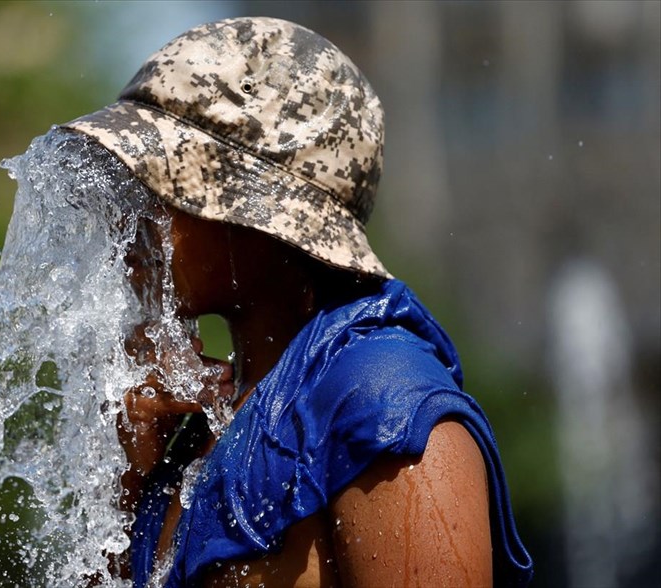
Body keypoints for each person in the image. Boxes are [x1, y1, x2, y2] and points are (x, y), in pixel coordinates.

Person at [61, 17, 533, 587]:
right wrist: (131, 474)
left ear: (264, 214)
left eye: (163, 185)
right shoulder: (200, 424)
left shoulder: (383, 410)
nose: (130, 216)